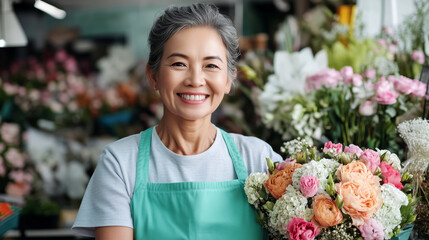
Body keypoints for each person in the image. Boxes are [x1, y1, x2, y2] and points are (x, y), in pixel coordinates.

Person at [72, 3, 282, 239]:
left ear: (228, 80)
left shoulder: (259, 159)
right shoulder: (120, 163)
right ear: (153, 76)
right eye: (179, 64)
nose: (195, 79)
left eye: (211, 65)